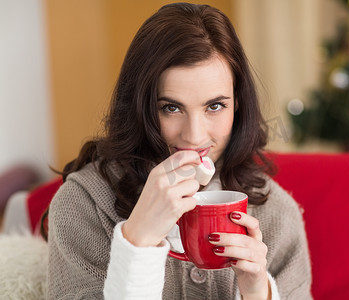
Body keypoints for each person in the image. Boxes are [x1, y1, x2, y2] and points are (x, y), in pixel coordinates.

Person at [46, 3, 312, 299]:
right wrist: (138, 242)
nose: (194, 136)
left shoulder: (276, 213)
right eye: (171, 108)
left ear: (238, 104)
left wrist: (257, 292)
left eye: (215, 106)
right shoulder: (83, 206)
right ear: (140, 106)